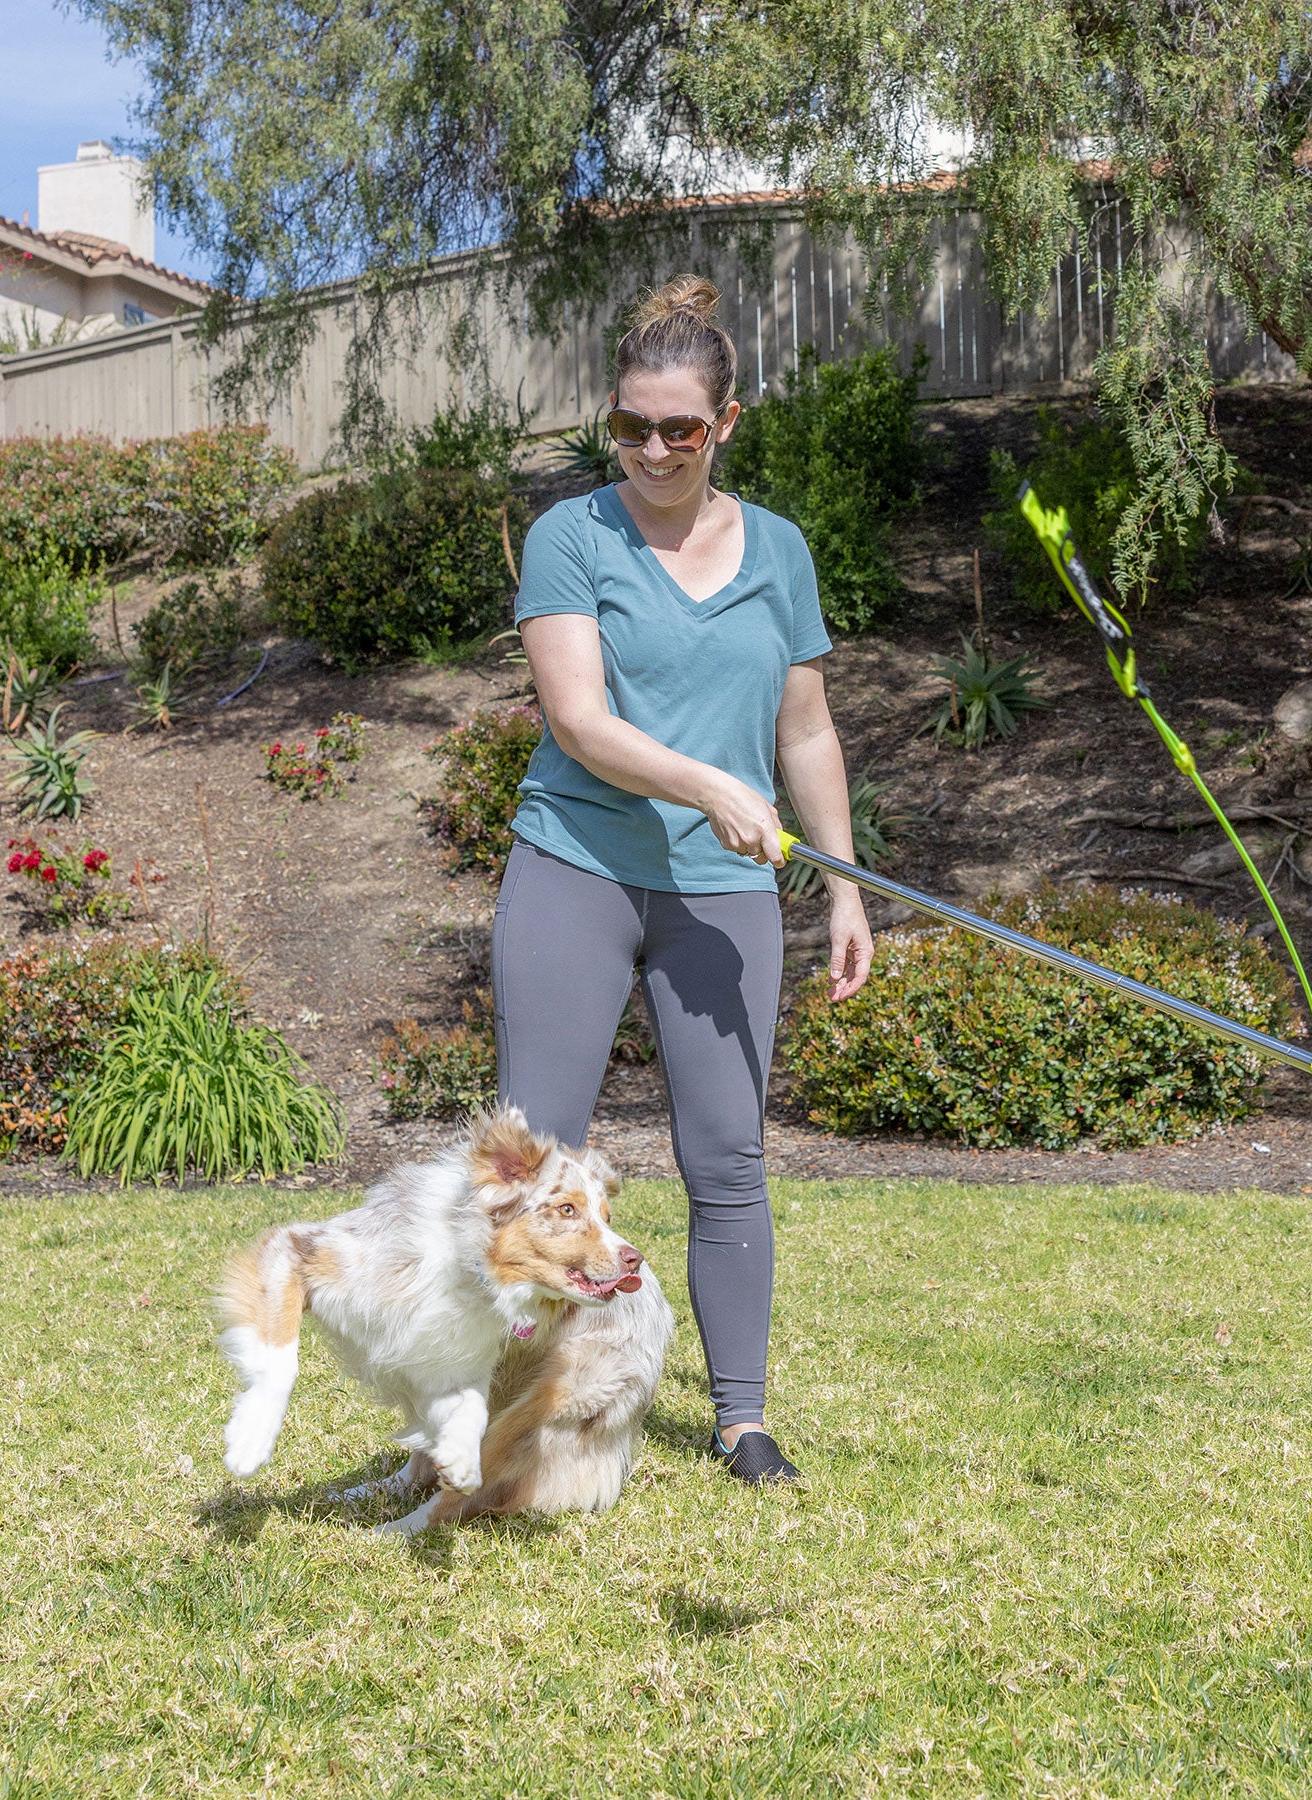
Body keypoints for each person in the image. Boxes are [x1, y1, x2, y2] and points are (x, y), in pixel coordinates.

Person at [496, 274, 873, 1487]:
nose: (654, 450)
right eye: (630, 427)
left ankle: (741, 1420)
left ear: (729, 423)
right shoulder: (572, 536)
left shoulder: (782, 553)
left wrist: (846, 886)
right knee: (536, 1167)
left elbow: (804, 730)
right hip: (580, 866)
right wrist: (712, 786)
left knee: (727, 1159)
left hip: (724, 894)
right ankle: (505, 1415)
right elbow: (580, 718)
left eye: (681, 429)